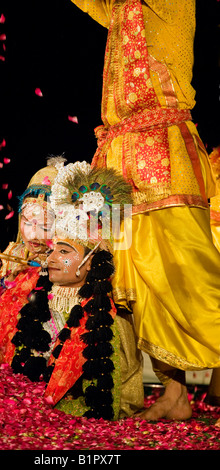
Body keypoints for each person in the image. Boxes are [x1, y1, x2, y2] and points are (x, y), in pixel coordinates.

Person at [70, 0, 220, 421]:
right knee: (139, 287)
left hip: (162, 148)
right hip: (118, 156)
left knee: (188, 276)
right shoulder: (120, 7)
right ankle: (175, 394)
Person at [11, 160, 144, 420]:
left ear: (91, 262)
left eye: (63, 252)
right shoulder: (35, 296)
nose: (50, 259)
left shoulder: (107, 319)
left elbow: (117, 395)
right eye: (52, 251)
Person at [0, 157, 63, 363]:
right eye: (27, 222)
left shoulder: (66, 260)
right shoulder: (14, 253)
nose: (33, 235)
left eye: (44, 225)